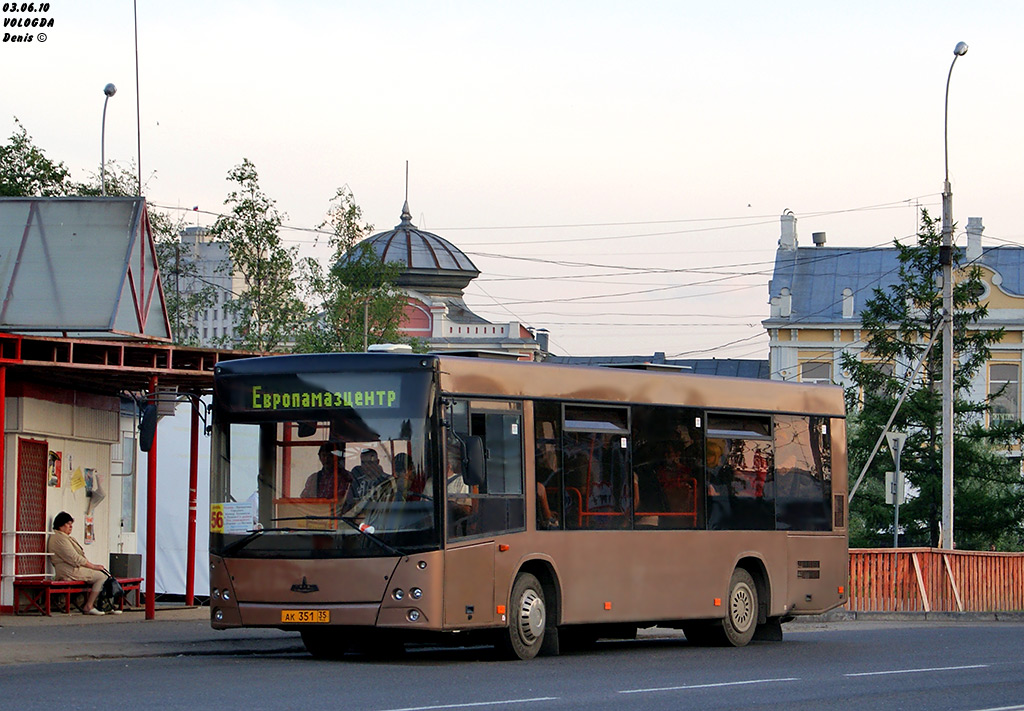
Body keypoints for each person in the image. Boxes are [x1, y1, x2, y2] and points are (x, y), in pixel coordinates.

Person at [47, 511, 116, 616]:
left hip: (72, 569)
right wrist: (93, 566)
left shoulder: (64, 537)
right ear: (60, 525)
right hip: (69, 571)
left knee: (103, 573)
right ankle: (89, 605)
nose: (71, 527)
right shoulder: (59, 539)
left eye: (71, 524)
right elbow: (74, 558)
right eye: (68, 524)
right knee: (101, 576)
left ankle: (103, 604)